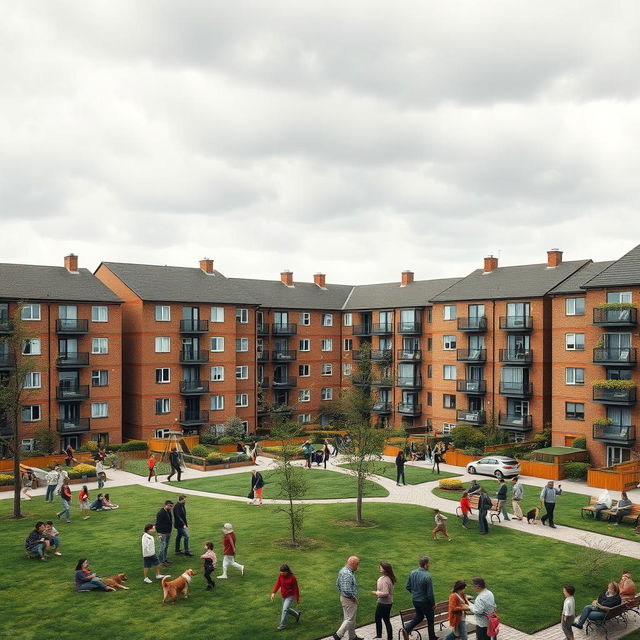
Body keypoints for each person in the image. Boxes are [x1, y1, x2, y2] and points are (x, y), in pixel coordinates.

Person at [402, 556, 436, 640]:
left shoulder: (412, 573)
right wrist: (433, 604)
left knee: (419, 617)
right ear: (425, 564)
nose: (429, 565)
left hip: (415, 600)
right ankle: (432, 638)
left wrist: (415, 593)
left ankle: (406, 628)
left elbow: (408, 586)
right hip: (425, 602)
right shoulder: (427, 576)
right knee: (430, 620)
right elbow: (430, 594)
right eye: (428, 564)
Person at [333, 556, 361, 640]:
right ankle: (338, 635)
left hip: (344, 597)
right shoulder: (347, 574)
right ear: (352, 563)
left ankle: (352, 637)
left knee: (349, 618)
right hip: (348, 599)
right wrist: (353, 597)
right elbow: (346, 589)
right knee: (350, 619)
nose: (357, 566)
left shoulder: (343, 570)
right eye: (357, 564)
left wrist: (342, 594)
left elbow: (337, 584)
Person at [271, 563, 301, 630]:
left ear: (287, 572)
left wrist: (297, 598)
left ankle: (282, 625)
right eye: (280, 573)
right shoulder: (281, 575)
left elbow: (296, 588)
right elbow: (278, 583)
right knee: (287, 609)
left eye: (283, 573)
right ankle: (297, 615)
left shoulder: (292, 577)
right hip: (283, 595)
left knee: (284, 609)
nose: (281, 574)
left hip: (290, 595)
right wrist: (273, 593)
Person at [371, 561, 395, 640]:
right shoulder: (388, 578)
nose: (379, 567)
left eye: (381, 567)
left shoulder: (385, 580)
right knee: (386, 620)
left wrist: (376, 593)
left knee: (378, 618)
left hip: (383, 603)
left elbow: (385, 593)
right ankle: (389, 637)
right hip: (388, 603)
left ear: (385, 569)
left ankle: (379, 635)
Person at [155, 500, 174, 565]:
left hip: (168, 531)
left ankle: (164, 559)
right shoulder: (160, 513)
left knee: (166, 546)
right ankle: (160, 561)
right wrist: (159, 533)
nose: (171, 507)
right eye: (170, 506)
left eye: (172, 506)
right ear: (166, 505)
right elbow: (157, 524)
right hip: (162, 532)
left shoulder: (168, 511)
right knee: (163, 547)